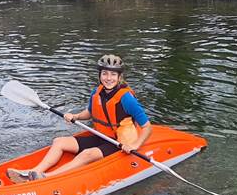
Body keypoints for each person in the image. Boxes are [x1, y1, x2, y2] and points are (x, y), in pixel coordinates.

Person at [8, 54, 152, 183]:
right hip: (101, 136)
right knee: (59, 142)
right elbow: (90, 112)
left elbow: (147, 127)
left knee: (87, 154)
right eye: (105, 73)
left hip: (119, 143)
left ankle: (47, 178)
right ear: (100, 75)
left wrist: (135, 145)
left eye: (113, 74)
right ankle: (34, 172)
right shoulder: (97, 92)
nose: (108, 78)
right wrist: (75, 116)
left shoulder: (127, 98)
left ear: (119, 77)